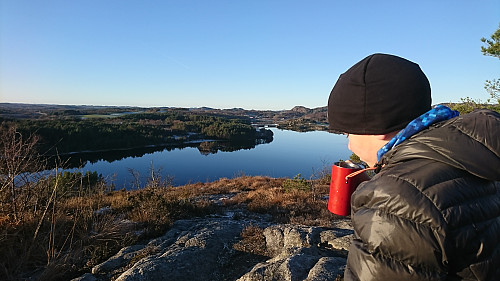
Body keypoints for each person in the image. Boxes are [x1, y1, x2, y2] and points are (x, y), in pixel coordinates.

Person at [327, 53, 500, 280]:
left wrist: (382, 191)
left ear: (376, 127)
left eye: (347, 132)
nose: (348, 142)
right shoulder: (474, 156)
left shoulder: (394, 200)